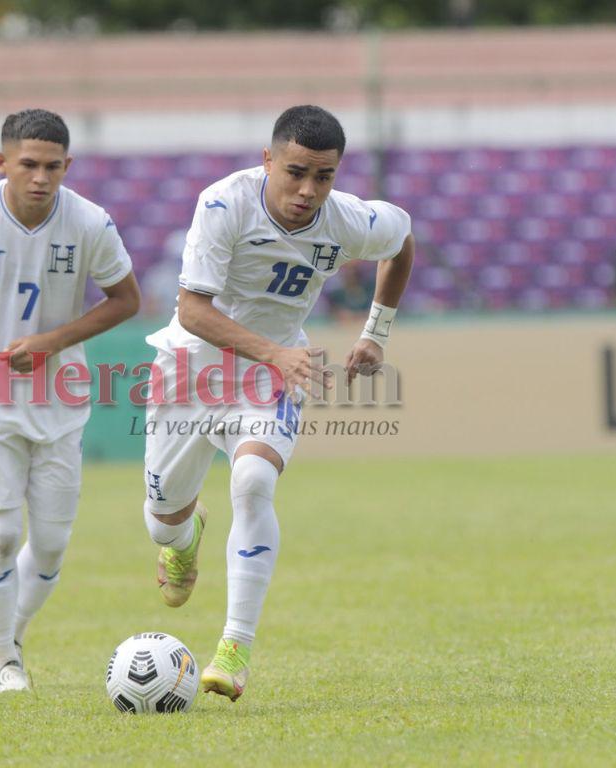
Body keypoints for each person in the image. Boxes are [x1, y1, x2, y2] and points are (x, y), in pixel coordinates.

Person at [141, 105, 414, 700]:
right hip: (190, 370)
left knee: (254, 483)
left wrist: (376, 332)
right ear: (268, 160)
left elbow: (402, 239)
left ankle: (234, 647)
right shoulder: (224, 205)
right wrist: (271, 352)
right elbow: (191, 310)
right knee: (161, 519)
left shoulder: (348, 219)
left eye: (324, 177)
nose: (308, 190)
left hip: (270, 375)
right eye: (295, 172)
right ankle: (184, 541)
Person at [0, 108, 140, 693]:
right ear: (2, 163)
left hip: (61, 401)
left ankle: (11, 632)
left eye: (53, 166)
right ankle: (3, 663)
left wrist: (51, 343)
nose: (41, 177)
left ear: (67, 165)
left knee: (49, 549)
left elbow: (126, 299)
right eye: (28, 165)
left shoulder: (90, 223)